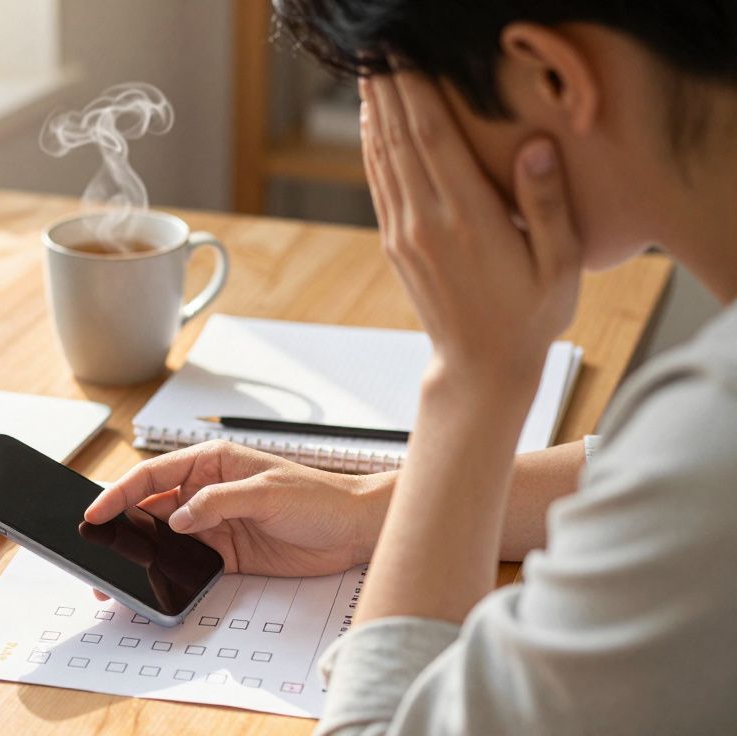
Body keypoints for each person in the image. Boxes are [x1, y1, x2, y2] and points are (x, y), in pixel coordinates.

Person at [85, 1, 737, 732]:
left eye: (403, 120)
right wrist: (367, 510)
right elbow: (641, 476)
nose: (399, 175)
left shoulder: (714, 436)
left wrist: (475, 376)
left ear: (551, 78)